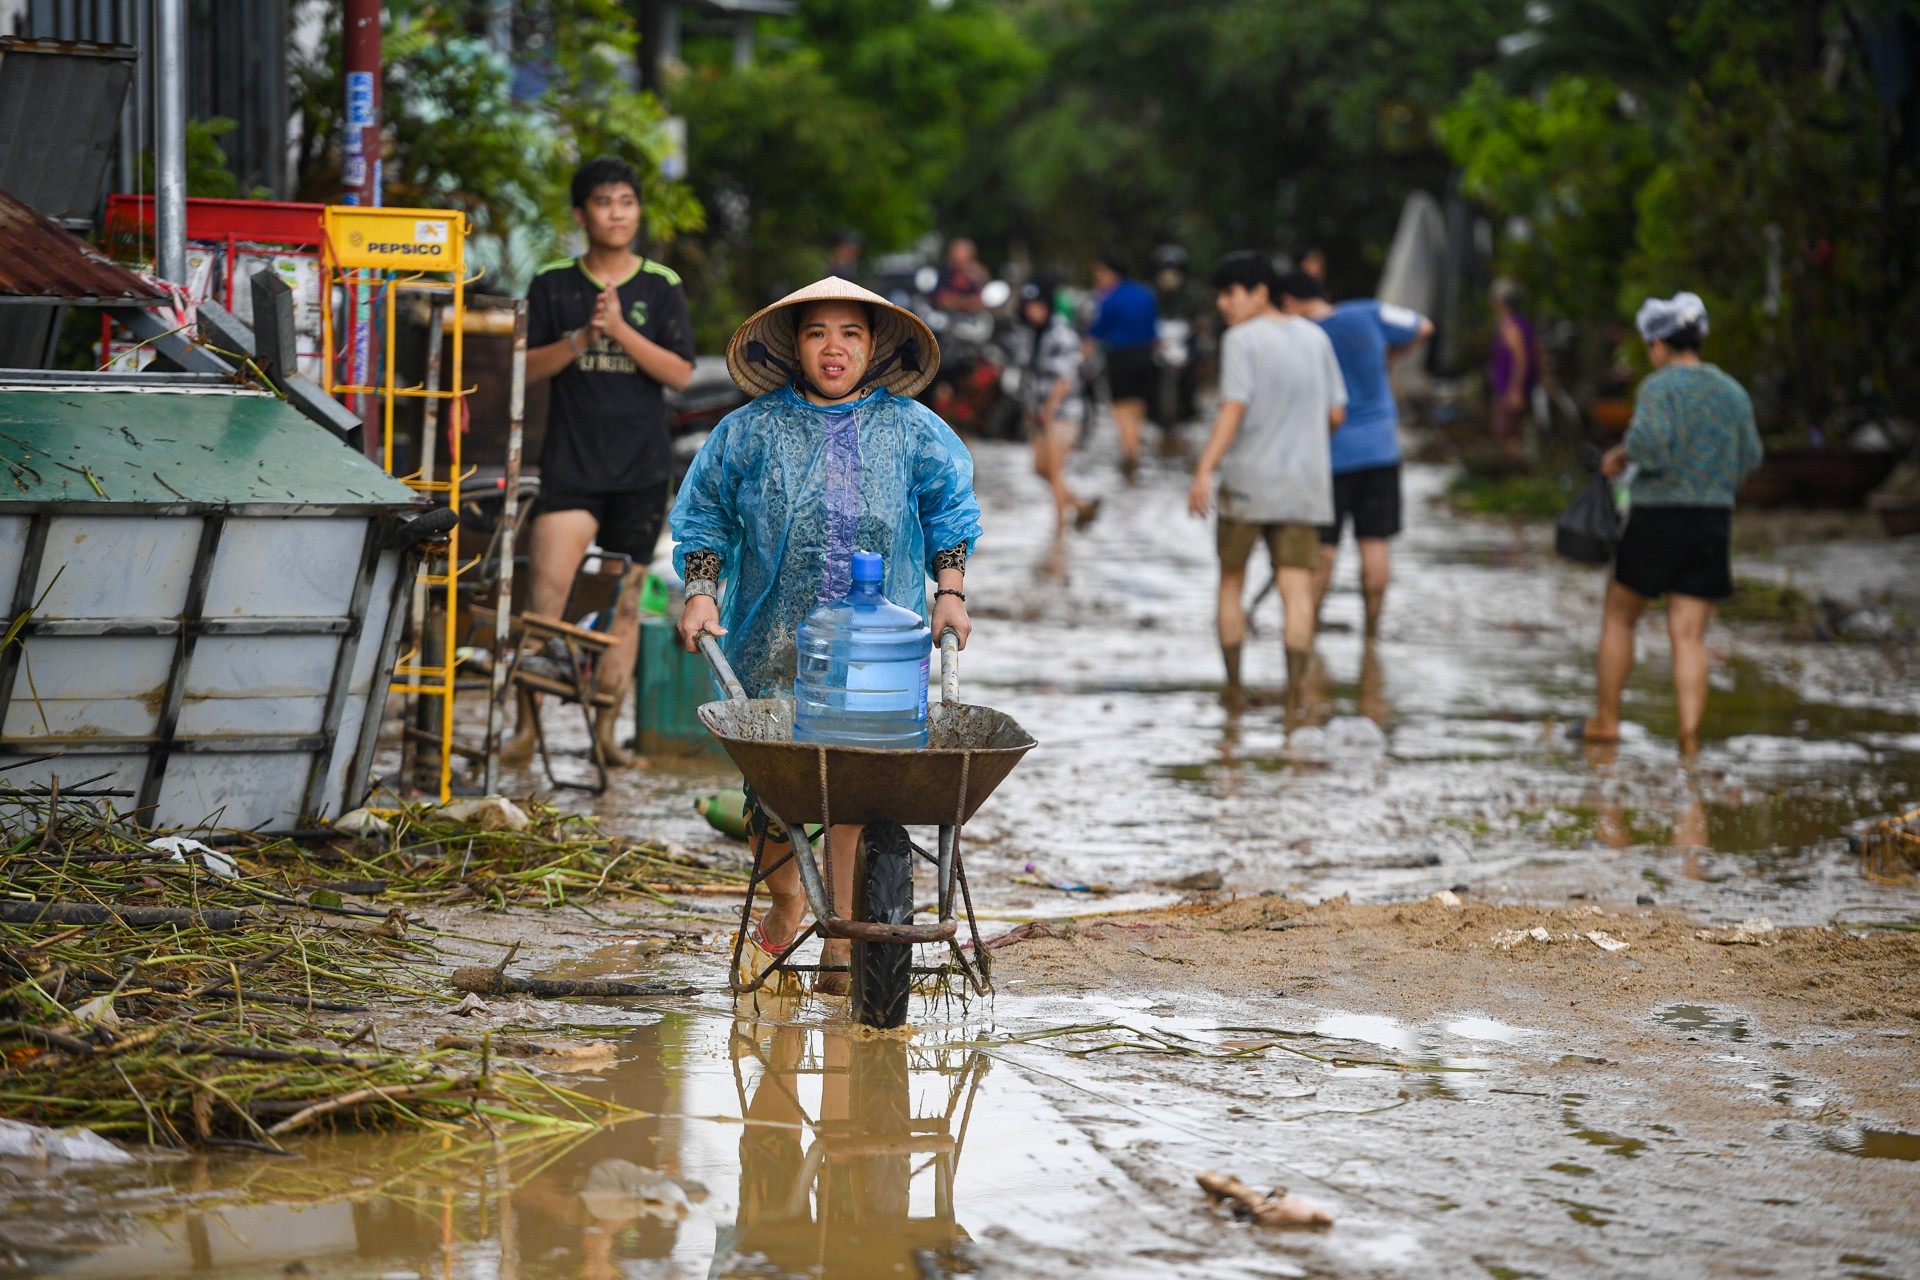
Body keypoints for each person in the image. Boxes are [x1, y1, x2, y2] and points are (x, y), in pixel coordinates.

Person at [670, 277, 981, 994]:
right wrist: (699, 592)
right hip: (773, 642)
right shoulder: (749, 430)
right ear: (794, 347)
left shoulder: (909, 429)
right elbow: (706, 516)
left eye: (851, 334)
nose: (834, 348)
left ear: (873, 348)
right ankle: (785, 909)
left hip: (878, 648)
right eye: (817, 333)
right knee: (777, 790)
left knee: (855, 782)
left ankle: (841, 944)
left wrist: (952, 595)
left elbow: (949, 513)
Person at [508, 156, 696, 768]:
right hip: (569, 467)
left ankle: (607, 737)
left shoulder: (660, 284)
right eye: (603, 202)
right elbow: (525, 368)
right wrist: (581, 341)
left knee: (626, 601)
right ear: (581, 214)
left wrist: (618, 329)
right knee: (546, 596)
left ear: (637, 211)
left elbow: (680, 374)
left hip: (641, 470)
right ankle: (526, 732)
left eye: (626, 201)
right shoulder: (553, 283)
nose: (616, 213)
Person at [1578, 291, 1762, 755]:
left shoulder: (1659, 389)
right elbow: (1752, 456)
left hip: (1658, 518)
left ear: (1659, 343)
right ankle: (1689, 736)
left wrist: (1620, 454)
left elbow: (1652, 446)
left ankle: (1606, 721)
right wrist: (1717, 482)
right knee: (1689, 634)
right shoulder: (1732, 391)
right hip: (1712, 521)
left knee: (1620, 618)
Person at [1188, 252, 1347, 714]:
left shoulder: (1241, 339)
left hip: (1248, 484)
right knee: (1297, 589)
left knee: (1231, 582)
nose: (1223, 303)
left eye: (1230, 293)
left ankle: (1235, 694)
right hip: (1306, 486)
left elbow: (1232, 409)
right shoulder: (1317, 337)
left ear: (1259, 293)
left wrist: (1204, 469)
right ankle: (1296, 700)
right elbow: (1337, 413)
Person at [1277, 269, 1433, 638]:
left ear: (1288, 302)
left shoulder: (1301, 335)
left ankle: (1307, 625)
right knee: (1375, 542)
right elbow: (1423, 327)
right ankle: (1373, 631)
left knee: (1325, 546)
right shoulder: (1367, 313)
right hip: (1381, 449)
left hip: (1329, 455)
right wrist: (1388, 356)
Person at [1009, 278, 1099, 532]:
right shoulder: (1027, 333)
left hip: (1064, 412)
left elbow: (1066, 378)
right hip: (1038, 411)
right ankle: (1080, 506)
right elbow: (1026, 374)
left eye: (1038, 305)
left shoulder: (1063, 334)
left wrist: (1049, 407)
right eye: (1029, 306)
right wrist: (1030, 408)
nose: (1032, 311)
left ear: (1048, 305)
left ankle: (1059, 532)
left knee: (1056, 470)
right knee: (1040, 468)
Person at [1087, 250, 1159, 480]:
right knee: (1137, 403)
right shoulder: (1146, 294)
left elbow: (1097, 332)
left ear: (1110, 272)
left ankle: (1130, 453)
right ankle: (1134, 445)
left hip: (1121, 356)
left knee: (1120, 406)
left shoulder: (1109, 298)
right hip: (1146, 355)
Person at [1489, 277, 1542, 459]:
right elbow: (1537, 351)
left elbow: (1522, 359)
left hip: (1511, 388)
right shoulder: (1522, 323)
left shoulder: (1511, 326)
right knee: (1515, 432)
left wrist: (1516, 390)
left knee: (1509, 434)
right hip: (1514, 386)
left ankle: (1524, 472)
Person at [932, 237, 987, 312]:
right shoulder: (943, 275)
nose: (959, 260)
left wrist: (956, 301)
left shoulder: (978, 277)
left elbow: (982, 302)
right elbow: (941, 298)